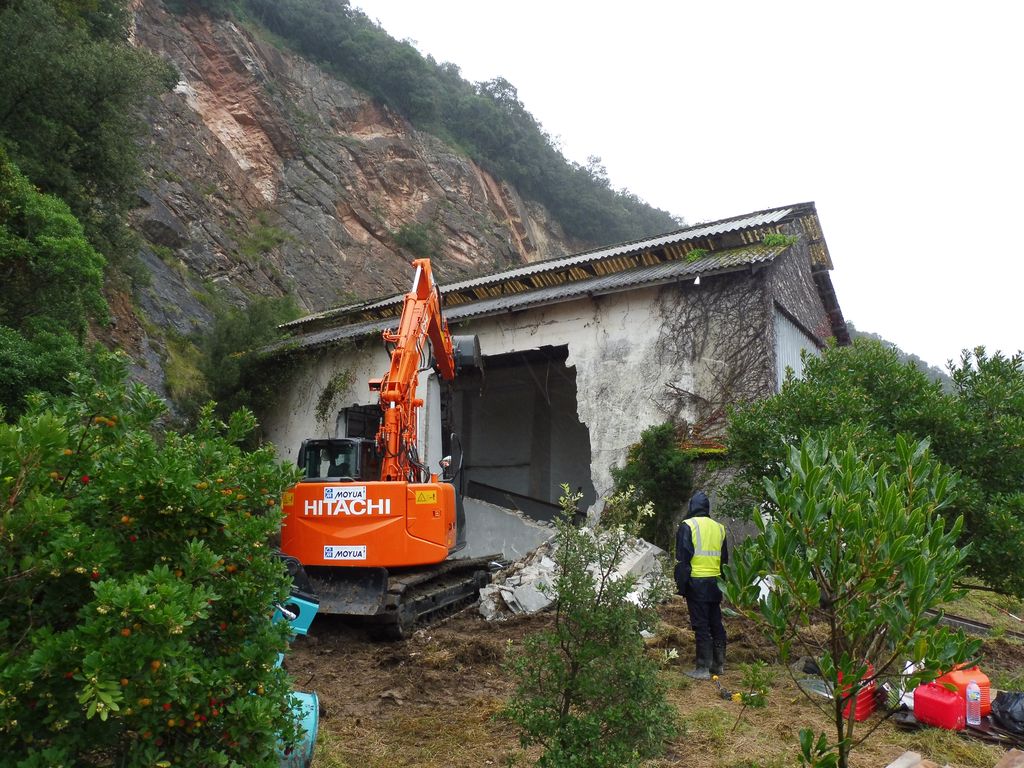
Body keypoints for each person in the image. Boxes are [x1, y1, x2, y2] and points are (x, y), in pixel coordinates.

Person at [674, 490, 728, 679]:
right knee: (715, 622)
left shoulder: (688, 525)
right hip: (715, 583)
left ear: (691, 506)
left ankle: (703, 667)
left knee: (701, 625)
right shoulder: (719, 528)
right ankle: (719, 664)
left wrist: (681, 586)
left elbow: (682, 559)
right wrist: (724, 584)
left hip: (696, 583)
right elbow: (724, 560)